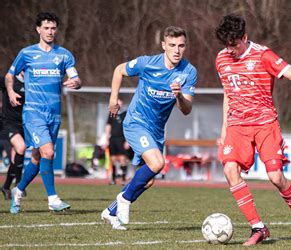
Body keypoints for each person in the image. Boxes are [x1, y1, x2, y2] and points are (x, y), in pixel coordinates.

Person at [214, 14, 291, 246]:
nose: (229, 50)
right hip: (237, 125)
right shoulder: (221, 59)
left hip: (264, 124)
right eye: (226, 45)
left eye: (234, 44)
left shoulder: (263, 55)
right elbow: (228, 92)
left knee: (276, 177)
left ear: (244, 37)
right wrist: (224, 128)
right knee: (230, 171)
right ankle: (258, 228)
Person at [100, 26, 197, 230]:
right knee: (157, 163)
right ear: (164, 46)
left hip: (156, 131)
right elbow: (119, 70)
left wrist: (178, 95)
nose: (176, 50)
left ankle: (111, 211)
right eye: (172, 45)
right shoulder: (147, 63)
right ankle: (124, 200)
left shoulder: (189, 72)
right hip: (136, 122)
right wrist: (113, 99)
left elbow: (187, 109)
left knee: (148, 180)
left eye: (181, 46)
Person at [6, 12, 81, 214]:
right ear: (38, 29)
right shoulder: (27, 53)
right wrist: (11, 91)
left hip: (54, 115)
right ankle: (53, 199)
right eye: (46, 28)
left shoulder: (64, 55)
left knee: (38, 158)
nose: (50, 32)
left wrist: (76, 82)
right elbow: (10, 75)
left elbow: (76, 77)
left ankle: (18, 191)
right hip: (33, 113)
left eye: (53, 28)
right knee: (48, 152)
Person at [0, 74, 26, 200]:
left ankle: (6, 186)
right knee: (21, 147)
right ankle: (20, 183)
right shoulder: (9, 80)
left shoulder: (32, 82)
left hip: (25, 124)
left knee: (16, 158)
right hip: (8, 123)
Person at [105, 98, 132, 185]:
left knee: (122, 158)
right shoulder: (111, 114)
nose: (117, 105)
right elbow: (108, 126)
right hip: (113, 139)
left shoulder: (125, 114)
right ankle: (113, 178)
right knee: (112, 159)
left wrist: (128, 140)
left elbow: (129, 127)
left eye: (118, 104)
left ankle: (123, 178)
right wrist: (106, 138)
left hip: (122, 139)